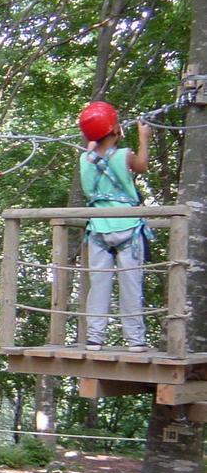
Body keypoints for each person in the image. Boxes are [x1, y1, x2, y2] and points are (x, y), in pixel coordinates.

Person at [78, 101, 152, 352]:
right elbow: (142, 166)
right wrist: (144, 138)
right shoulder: (124, 155)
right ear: (115, 130)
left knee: (99, 285)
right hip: (128, 227)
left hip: (99, 228)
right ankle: (135, 340)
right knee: (131, 283)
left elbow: (94, 149)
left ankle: (94, 338)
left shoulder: (85, 159)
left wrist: (98, 133)